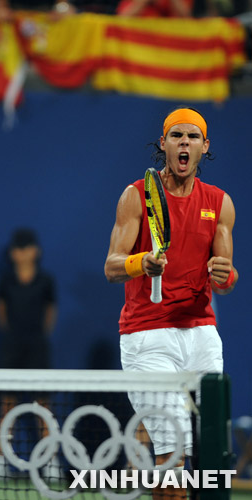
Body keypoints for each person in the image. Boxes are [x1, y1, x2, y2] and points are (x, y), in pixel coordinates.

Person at [104, 107, 238, 499]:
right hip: (148, 337)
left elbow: (228, 279)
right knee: (173, 457)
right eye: (176, 136)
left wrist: (224, 275)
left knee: (211, 453)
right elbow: (112, 267)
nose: (184, 143)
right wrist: (140, 262)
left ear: (204, 147)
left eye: (192, 137)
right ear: (163, 143)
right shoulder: (135, 196)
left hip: (201, 336)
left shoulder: (220, 203)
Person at [0, 228, 61, 479]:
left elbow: (50, 314)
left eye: (27, 247)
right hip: (11, 348)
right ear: (13, 253)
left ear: (35, 251)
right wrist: (13, 337)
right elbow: (1, 312)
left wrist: (36, 338)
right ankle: (0, 460)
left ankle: (50, 462)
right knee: (7, 404)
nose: (22, 252)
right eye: (18, 248)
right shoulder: (5, 282)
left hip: (37, 347)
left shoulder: (46, 281)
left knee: (43, 405)